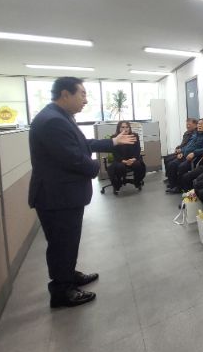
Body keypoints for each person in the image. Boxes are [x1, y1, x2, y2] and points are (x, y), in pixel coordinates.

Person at [28, 77, 136, 308]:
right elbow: (74, 158)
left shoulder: (59, 117)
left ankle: (67, 275)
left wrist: (112, 142)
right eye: (83, 94)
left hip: (62, 195)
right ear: (65, 94)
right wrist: (99, 167)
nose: (86, 100)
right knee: (61, 243)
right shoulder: (52, 121)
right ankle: (62, 291)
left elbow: (81, 144)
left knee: (67, 241)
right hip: (57, 197)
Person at [165, 118, 203, 192]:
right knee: (171, 164)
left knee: (181, 167)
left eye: (201, 124)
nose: (199, 125)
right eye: (198, 124)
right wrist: (182, 152)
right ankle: (173, 185)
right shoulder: (195, 135)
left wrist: (194, 153)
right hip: (184, 155)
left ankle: (179, 187)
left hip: (194, 158)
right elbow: (188, 146)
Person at [106, 121, 146, 194]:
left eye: (127, 127)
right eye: (123, 127)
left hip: (132, 159)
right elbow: (115, 153)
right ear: (119, 128)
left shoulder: (134, 136)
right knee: (119, 167)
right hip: (119, 160)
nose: (125, 129)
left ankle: (137, 182)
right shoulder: (115, 138)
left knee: (138, 165)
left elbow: (138, 150)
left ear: (129, 128)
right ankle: (117, 185)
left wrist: (133, 159)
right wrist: (124, 161)